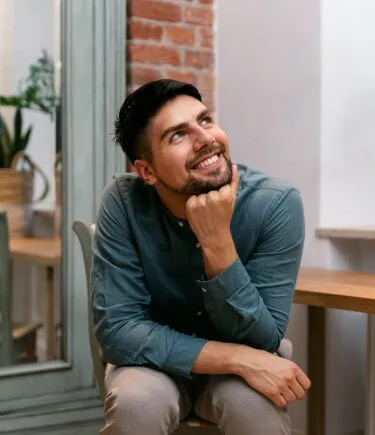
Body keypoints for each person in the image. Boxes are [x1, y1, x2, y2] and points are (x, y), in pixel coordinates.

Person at [91, 79, 311, 435]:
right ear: (146, 171)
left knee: (256, 407)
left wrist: (216, 241)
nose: (205, 138)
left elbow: (264, 341)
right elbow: (118, 331)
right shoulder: (123, 201)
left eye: (205, 120)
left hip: (240, 363)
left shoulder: (275, 204)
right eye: (178, 135)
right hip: (151, 365)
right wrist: (235, 358)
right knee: (138, 403)